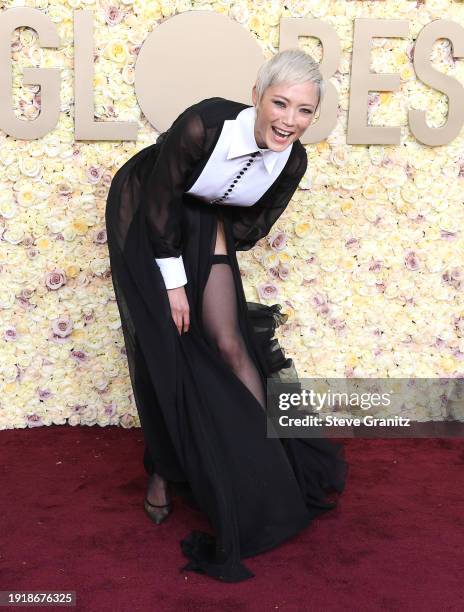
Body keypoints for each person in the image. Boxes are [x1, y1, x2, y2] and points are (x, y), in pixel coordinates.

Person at [105, 48, 348, 582]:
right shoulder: (204, 124)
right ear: (256, 95)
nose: (289, 120)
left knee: (230, 342)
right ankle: (164, 472)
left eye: (304, 111)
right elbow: (161, 203)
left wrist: (207, 241)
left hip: (204, 219)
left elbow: (250, 228)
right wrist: (175, 284)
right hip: (145, 209)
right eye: (280, 103)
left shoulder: (295, 158)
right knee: (166, 345)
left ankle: (269, 473)